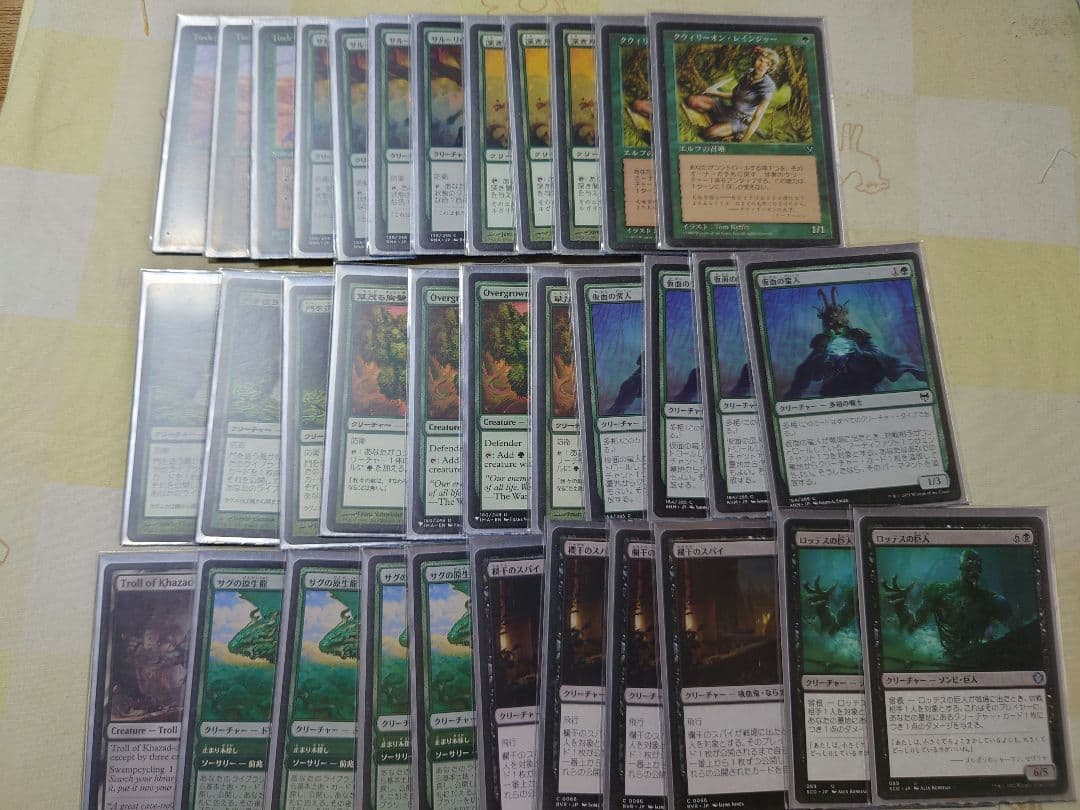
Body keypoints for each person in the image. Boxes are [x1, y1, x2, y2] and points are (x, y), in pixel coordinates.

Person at [685, 46, 781, 142]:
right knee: (691, 100)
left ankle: (735, 134)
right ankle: (719, 123)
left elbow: (757, 118)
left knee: (708, 133)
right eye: (760, 60)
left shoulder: (767, 87)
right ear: (755, 59)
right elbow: (735, 96)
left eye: (767, 64)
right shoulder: (749, 74)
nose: (762, 65)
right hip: (728, 110)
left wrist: (744, 141)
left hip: (738, 121)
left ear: (770, 68)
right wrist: (716, 93)